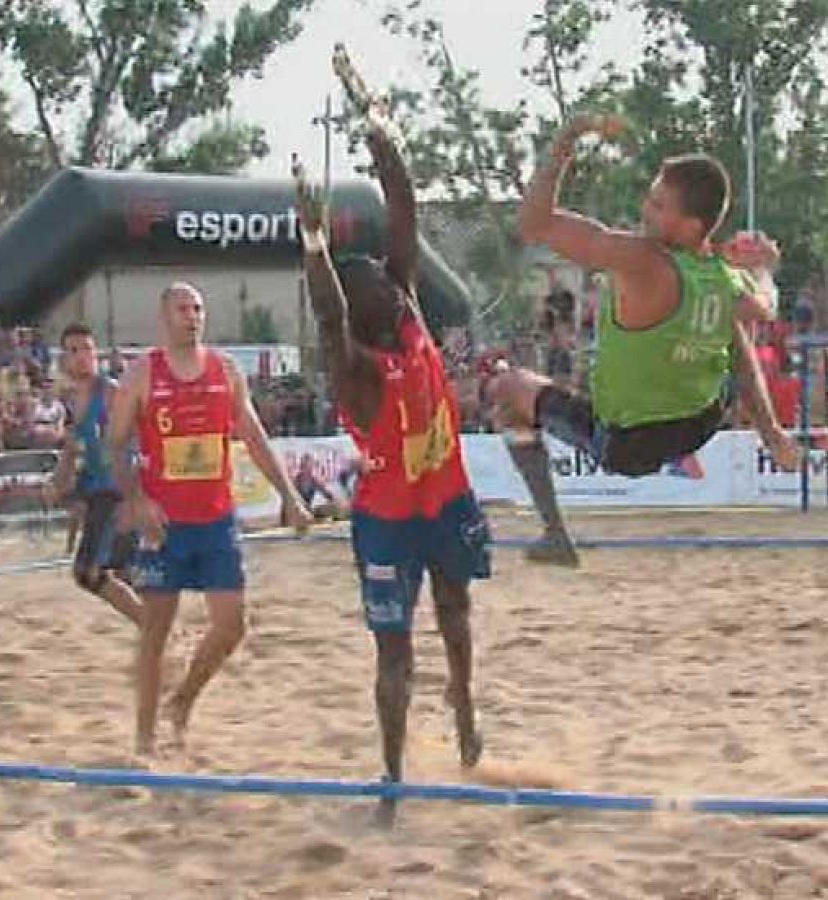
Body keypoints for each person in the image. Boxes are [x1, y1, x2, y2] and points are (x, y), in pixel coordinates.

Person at [296, 45, 492, 822]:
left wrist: (375, 118)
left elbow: (403, 202)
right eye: (371, 269)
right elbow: (327, 311)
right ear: (360, 297)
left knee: (456, 617)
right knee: (394, 650)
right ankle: (391, 774)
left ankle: (468, 708)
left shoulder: (403, 301)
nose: (387, 265)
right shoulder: (354, 365)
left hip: (444, 500)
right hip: (387, 518)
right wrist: (313, 246)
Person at [487, 113, 800, 565]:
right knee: (730, 330)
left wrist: (566, 139)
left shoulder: (641, 259)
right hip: (702, 421)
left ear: (691, 225)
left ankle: (555, 534)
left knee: (506, 388)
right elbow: (763, 308)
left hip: (629, 443)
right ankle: (768, 433)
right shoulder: (721, 275)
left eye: (658, 206)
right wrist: (764, 264)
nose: (644, 211)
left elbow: (535, 224)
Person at [107, 282, 311, 757]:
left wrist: (290, 496)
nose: (192, 316)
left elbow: (256, 439)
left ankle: (182, 703)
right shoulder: (142, 374)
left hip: (216, 519)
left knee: (231, 626)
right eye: (183, 308)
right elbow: (115, 445)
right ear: (164, 316)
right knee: (156, 630)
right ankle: (144, 739)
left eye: (198, 308)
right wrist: (136, 500)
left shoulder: (226, 370)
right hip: (164, 526)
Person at [47, 323, 143, 627]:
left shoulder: (111, 393)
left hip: (119, 492)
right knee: (116, 575)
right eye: (74, 351)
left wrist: (138, 495)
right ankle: (157, 633)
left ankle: (155, 630)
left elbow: (139, 440)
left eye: (87, 349)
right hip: (100, 493)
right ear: (64, 359)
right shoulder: (74, 403)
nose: (82, 356)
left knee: (91, 572)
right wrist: (58, 481)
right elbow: (74, 448)